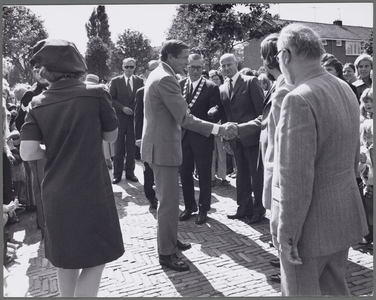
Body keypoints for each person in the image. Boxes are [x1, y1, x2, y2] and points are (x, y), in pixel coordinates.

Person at [20, 39, 124, 297]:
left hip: (56, 192)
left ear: (46, 71)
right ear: (78, 65)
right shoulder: (97, 93)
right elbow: (111, 138)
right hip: (91, 189)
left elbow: (27, 152)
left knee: (65, 259)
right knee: (96, 256)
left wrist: (54, 149)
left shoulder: (36, 103)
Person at [272, 23, 368, 296]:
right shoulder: (343, 87)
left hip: (308, 229)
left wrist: (287, 233)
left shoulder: (298, 99)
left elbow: (295, 178)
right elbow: (350, 158)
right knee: (336, 290)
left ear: (286, 55)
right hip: (341, 217)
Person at [141, 39, 236, 272]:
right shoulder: (166, 78)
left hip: (161, 147)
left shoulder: (160, 74)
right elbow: (185, 118)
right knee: (169, 204)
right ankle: (166, 253)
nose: (187, 61)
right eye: (184, 57)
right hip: (163, 150)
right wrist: (218, 128)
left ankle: (171, 241)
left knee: (170, 202)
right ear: (171, 56)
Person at [258, 33, 292, 283]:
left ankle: (287, 270)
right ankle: (282, 258)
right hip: (270, 157)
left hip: (277, 162)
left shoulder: (284, 86)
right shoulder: (277, 84)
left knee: (280, 220)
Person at [219, 53, 265, 225]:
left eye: (229, 64)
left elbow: (262, 111)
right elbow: (225, 115)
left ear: (236, 63)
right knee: (242, 174)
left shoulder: (250, 81)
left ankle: (259, 209)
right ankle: (243, 208)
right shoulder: (222, 88)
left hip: (252, 137)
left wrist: (254, 132)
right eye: (223, 66)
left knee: (256, 174)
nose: (226, 68)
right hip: (234, 139)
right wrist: (225, 138)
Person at [178, 53, 224, 225]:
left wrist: (213, 112)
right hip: (183, 137)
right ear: (187, 67)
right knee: (185, 173)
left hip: (202, 137)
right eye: (192, 67)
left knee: (204, 174)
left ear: (203, 68)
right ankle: (189, 206)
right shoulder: (181, 84)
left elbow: (217, 108)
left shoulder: (211, 87)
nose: (195, 71)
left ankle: (204, 208)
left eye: (198, 67)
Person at [110, 57, 144, 184]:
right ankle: (117, 174)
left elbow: (142, 99)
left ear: (135, 67)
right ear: (122, 67)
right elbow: (111, 99)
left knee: (131, 147)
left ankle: (130, 173)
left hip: (134, 120)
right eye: (126, 67)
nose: (129, 69)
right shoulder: (115, 81)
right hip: (120, 118)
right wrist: (122, 108)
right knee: (118, 147)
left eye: (131, 67)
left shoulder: (140, 81)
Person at [134, 60, 160, 209]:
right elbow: (138, 117)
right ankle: (151, 196)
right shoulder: (141, 92)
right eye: (152, 69)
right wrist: (138, 137)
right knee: (148, 168)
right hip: (147, 137)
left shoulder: (167, 88)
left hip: (163, 136)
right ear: (147, 72)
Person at [208, 69, 229, 187]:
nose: (215, 81)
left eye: (217, 79)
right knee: (212, 154)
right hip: (211, 126)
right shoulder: (209, 91)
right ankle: (211, 177)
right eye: (213, 79)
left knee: (222, 154)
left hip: (222, 126)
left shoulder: (224, 91)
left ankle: (223, 176)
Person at [358, 119, 374, 250]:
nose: (370, 137)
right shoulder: (363, 149)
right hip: (369, 186)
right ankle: (369, 235)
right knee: (370, 212)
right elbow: (359, 168)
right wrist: (363, 161)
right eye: (367, 134)